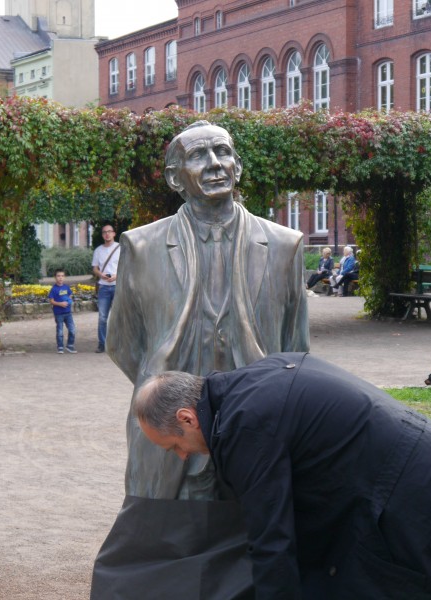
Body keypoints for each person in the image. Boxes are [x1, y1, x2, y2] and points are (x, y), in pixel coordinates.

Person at [92, 121, 308, 599]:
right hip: (172, 428)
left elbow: (295, 348)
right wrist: (163, 394)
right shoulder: (141, 245)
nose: (214, 165)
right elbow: (123, 342)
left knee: (253, 533)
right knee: (160, 539)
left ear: (238, 166)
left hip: (254, 423)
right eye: (198, 156)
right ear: (176, 177)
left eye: (223, 152)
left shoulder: (285, 245)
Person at [134, 352, 431, 600]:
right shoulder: (256, 378)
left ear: (187, 417)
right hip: (430, 464)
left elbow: (272, 539)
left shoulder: (244, 426)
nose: (182, 456)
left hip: (415, 494)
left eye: (174, 446)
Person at [91, 223, 119, 353]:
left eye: (109, 231)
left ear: (114, 233)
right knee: (102, 317)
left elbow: (126, 265)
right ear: (102, 235)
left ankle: (118, 344)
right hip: (103, 287)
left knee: (118, 317)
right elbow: (95, 268)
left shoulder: (120, 248)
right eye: (104, 232)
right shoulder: (98, 250)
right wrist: (101, 274)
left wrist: (116, 276)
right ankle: (102, 343)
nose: (107, 234)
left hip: (118, 286)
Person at [47, 269, 76, 354]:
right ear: (55, 277)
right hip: (59, 313)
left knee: (72, 330)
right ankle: (60, 347)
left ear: (64, 277)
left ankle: (70, 345)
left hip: (68, 313)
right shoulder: (53, 289)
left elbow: (70, 295)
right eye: (58, 276)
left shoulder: (66, 287)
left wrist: (69, 301)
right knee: (60, 331)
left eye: (62, 276)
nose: (60, 278)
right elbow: (51, 301)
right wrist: (60, 304)